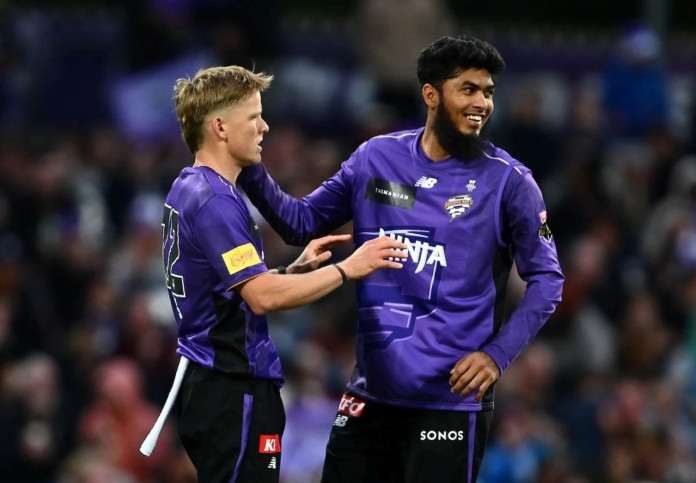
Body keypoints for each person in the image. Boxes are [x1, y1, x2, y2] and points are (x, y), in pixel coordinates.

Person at [238, 35, 565, 482]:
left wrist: (496, 356)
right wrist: (248, 165)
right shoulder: (376, 158)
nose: (482, 103)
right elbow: (300, 223)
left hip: (448, 402)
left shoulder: (509, 182)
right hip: (369, 397)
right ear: (431, 95)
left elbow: (548, 280)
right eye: (468, 89)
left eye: (488, 92)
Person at [143, 66, 408, 483]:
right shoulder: (215, 200)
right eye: (254, 117)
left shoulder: (189, 186)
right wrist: (349, 268)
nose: (264, 127)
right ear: (220, 127)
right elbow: (262, 296)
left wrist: (289, 271)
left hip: (214, 384)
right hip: (233, 388)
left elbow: (226, 289)